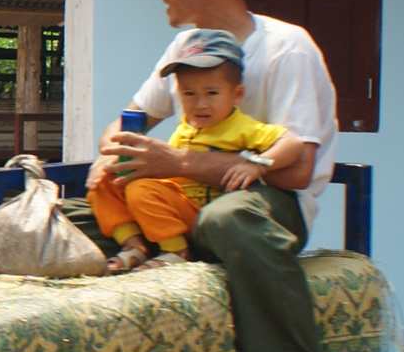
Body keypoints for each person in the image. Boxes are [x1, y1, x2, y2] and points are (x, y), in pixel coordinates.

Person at [99, 0, 344, 352]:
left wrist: (179, 165)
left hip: (268, 204)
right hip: (191, 199)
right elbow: (132, 117)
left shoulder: (287, 48)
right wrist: (112, 151)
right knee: (82, 207)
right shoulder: (185, 49)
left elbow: (298, 167)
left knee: (228, 217)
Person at [90, 29, 307, 275]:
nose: (200, 103)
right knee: (104, 181)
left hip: (200, 211)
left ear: (236, 95)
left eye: (212, 93)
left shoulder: (241, 127)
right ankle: (134, 245)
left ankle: (177, 251)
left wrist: (256, 164)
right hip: (171, 199)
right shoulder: (187, 125)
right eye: (189, 94)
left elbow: (293, 144)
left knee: (141, 189)